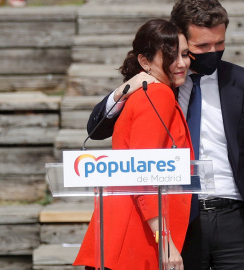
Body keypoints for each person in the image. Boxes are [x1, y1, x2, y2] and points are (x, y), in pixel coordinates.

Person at [86, 0, 244, 269]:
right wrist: (125, 88)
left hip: (237, 219)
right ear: (180, 39)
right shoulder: (158, 84)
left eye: (219, 44)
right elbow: (96, 130)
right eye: (202, 47)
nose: (213, 52)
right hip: (178, 220)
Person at [74, 19, 193, 270]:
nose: (181, 63)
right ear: (144, 62)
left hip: (123, 238)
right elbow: (143, 172)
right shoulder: (158, 94)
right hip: (134, 241)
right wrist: (165, 240)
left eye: (185, 54)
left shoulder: (147, 93)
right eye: (171, 56)